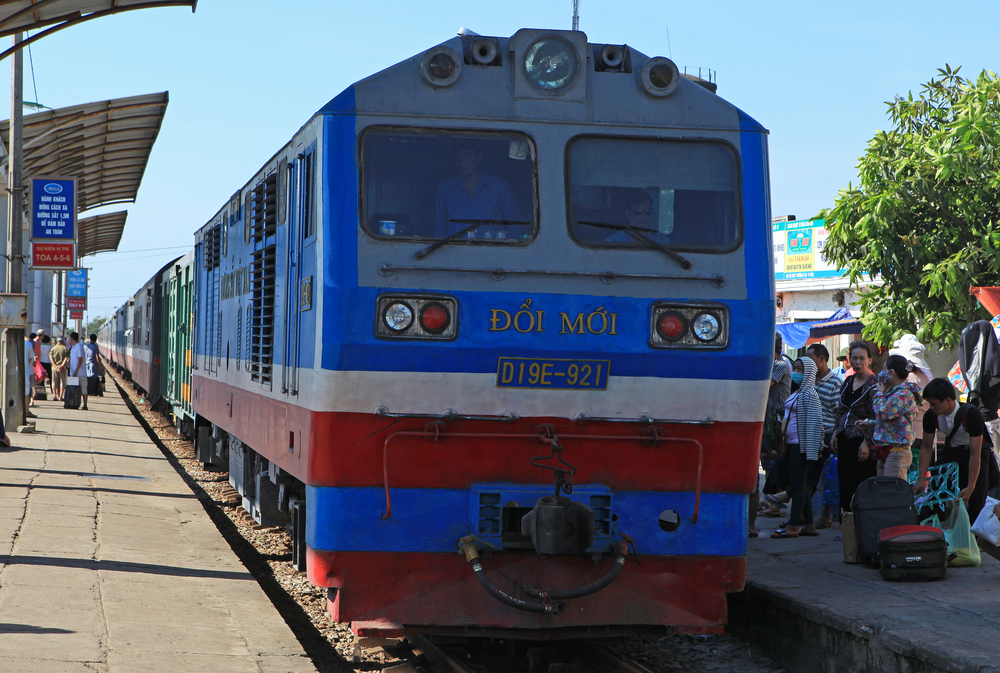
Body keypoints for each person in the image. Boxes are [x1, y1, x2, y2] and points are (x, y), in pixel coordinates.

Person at [916, 378, 993, 522]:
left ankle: (973, 538)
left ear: (947, 400)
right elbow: (926, 447)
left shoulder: (971, 414)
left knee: (977, 499)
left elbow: (975, 452)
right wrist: (921, 478)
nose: (931, 407)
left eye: (934, 403)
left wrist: (970, 486)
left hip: (974, 454)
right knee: (936, 490)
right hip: (952, 452)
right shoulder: (930, 416)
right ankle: (937, 529)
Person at [771, 357, 823, 538]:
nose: (796, 372)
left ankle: (792, 526)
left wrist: (810, 449)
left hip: (800, 446)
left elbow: (815, 424)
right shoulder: (797, 393)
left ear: (809, 372)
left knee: (798, 485)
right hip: (791, 443)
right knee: (800, 484)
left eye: (801, 369)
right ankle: (809, 525)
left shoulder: (810, 395)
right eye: (795, 368)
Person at [751, 334, 793, 537]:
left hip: (775, 417)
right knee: (767, 459)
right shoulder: (776, 363)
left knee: (772, 460)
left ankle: (773, 502)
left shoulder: (780, 364)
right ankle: (769, 500)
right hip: (769, 416)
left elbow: (764, 384)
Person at [435, 146, 523, 238]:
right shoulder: (445, 189)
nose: (462, 162)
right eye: (458, 158)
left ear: (479, 158)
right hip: (454, 251)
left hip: (492, 251)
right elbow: (440, 228)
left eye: (468, 157)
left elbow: (516, 227)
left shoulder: (500, 187)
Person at [833, 340, 878, 514]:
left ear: (869, 360)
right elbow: (841, 410)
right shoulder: (848, 381)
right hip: (845, 439)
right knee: (845, 483)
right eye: (854, 358)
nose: (858, 362)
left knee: (862, 484)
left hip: (862, 442)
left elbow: (876, 416)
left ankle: (862, 528)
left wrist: (867, 442)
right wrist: (836, 433)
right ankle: (848, 528)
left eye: (861, 358)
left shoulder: (874, 385)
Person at [805, 343, 844, 527]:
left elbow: (839, 414)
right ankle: (804, 514)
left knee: (823, 477)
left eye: (811, 360)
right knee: (806, 476)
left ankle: (824, 514)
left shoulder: (835, 383)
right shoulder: (807, 380)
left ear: (822, 360)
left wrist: (835, 436)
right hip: (807, 435)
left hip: (827, 436)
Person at [867, 355, 922, 479]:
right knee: (883, 491)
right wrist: (869, 424)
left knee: (892, 493)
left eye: (884, 369)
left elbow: (884, 413)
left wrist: (878, 393)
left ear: (891, 372)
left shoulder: (903, 394)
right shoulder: (893, 392)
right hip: (886, 449)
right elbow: (892, 422)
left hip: (897, 452)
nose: (881, 373)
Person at [69, 332, 90, 411]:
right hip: (73, 373)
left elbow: (80, 360)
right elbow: (71, 359)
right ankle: (74, 403)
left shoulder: (79, 347)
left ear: (71, 338)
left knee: (83, 389)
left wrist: (76, 371)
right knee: (74, 389)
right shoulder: (73, 348)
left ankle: (85, 405)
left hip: (80, 373)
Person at [49, 337, 69, 402]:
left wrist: (56, 365)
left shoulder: (53, 349)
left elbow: (51, 358)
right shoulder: (65, 348)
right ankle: (60, 396)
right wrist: (61, 366)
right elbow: (66, 358)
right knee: (62, 382)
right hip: (63, 368)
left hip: (54, 368)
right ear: (63, 341)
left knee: (54, 382)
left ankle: (55, 396)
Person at [24, 333, 36, 418]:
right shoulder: (28, 344)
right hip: (26, 371)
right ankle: (26, 411)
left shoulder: (10, 341)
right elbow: (31, 358)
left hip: (11, 371)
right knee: (26, 392)